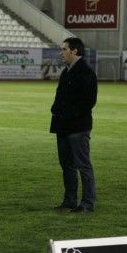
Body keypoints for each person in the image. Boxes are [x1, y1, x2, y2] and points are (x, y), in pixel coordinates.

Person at [50, 37, 98, 213]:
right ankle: (70, 200)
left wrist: (67, 114)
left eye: (64, 49)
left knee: (82, 165)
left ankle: (87, 203)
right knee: (67, 165)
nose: (61, 52)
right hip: (63, 125)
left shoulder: (86, 72)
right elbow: (60, 96)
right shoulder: (67, 71)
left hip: (77, 127)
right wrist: (54, 109)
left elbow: (89, 102)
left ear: (74, 51)